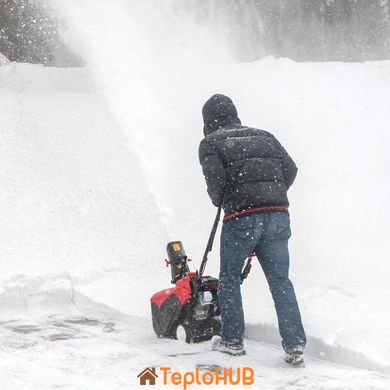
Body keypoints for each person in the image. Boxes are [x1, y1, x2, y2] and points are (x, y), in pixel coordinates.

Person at [199, 94, 306, 364]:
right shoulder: (265, 136)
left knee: (229, 278)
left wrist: (230, 199)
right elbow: (290, 169)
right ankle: (294, 344)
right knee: (281, 281)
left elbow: (217, 185)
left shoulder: (210, 142)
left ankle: (232, 341)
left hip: (241, 217)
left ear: (208, 120)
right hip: (278, 215)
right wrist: (270, 194)